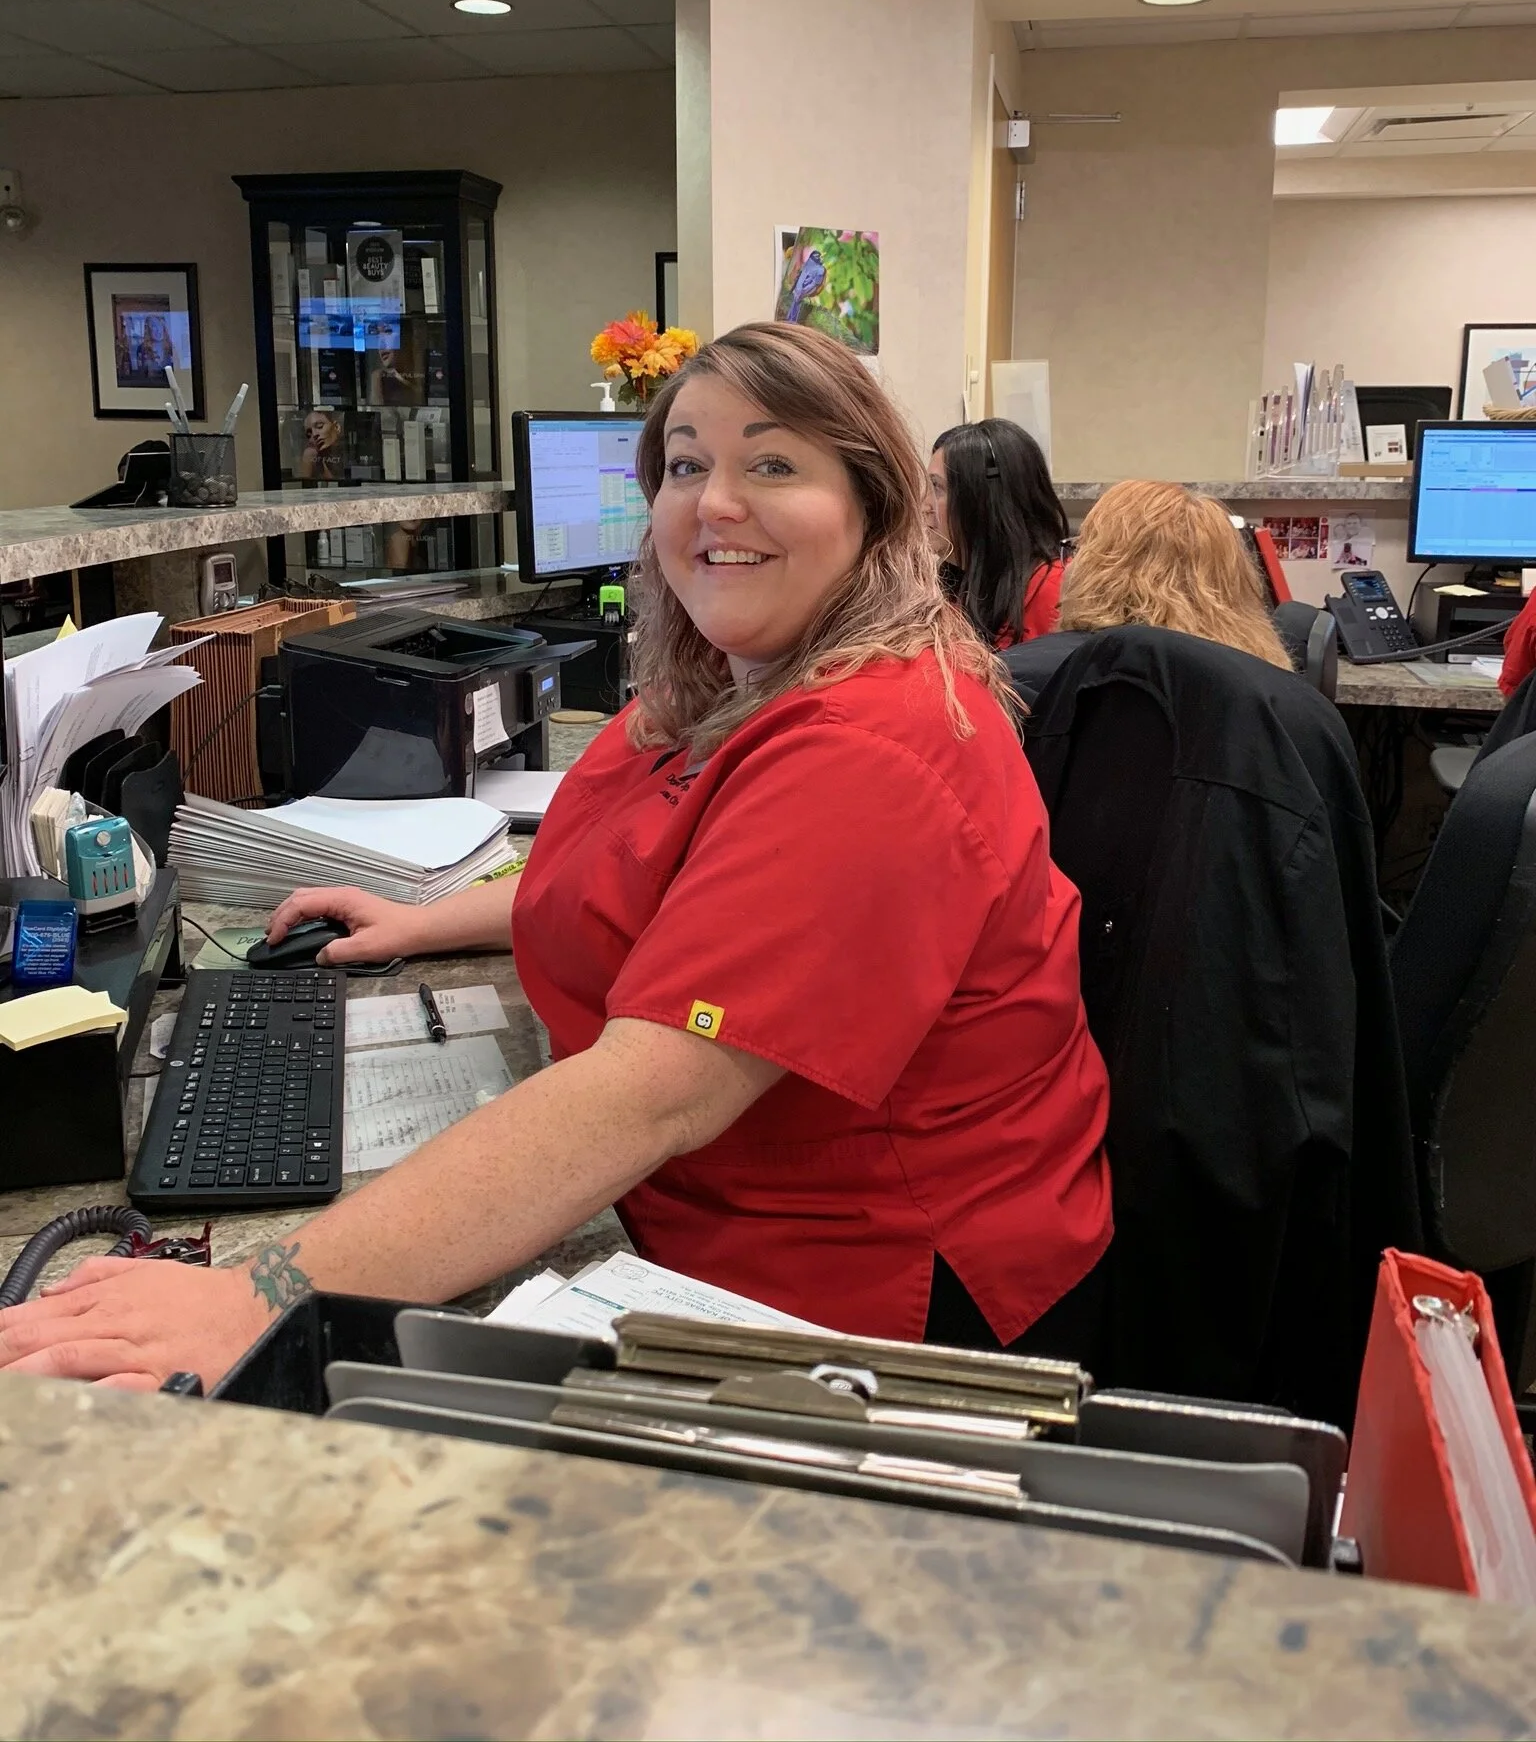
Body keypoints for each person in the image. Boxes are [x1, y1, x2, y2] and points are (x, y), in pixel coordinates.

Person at [0, 322, 1111, 1393]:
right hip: (702, 1214)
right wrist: (427, 917)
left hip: (863, 1290)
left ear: (873, 507)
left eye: (773, 462)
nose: (715, 501)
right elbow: (641, 874)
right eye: (685, 464)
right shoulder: (723, 685)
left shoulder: (876, 744)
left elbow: (650, 1096)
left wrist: (258, 1292)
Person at [1057, 479, 1294, 671]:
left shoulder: (1054, 678)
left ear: (1101, 570)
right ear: (1232, 574)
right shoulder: (1271, 676)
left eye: (1079, 548)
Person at [925, 420, 1068, 648]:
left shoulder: (1055, 591)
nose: (924, 506)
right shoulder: (948, 586)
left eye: (937, 488)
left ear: (983, 501)